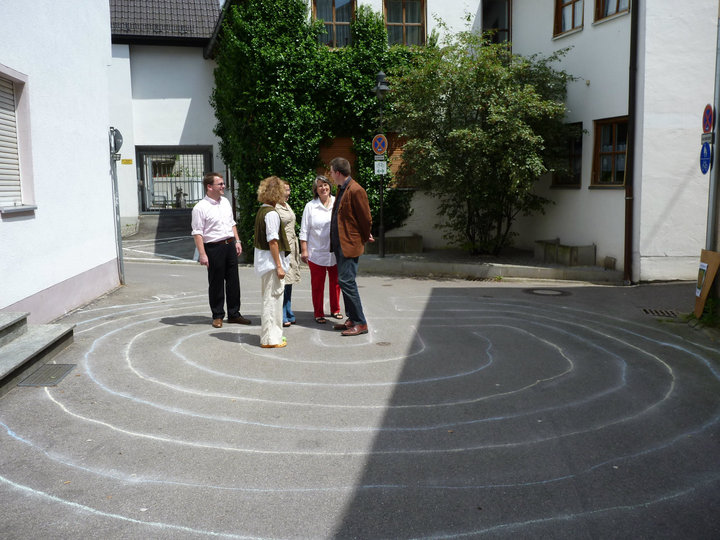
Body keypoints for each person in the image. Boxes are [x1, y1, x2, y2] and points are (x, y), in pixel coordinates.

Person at [191, 172, 251, 328]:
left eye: (223, 183)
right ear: (209, 187)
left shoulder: (225, 202)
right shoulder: (200, 208)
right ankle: (217, 315)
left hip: (229, 244)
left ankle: (234, 314)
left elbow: (232, 223)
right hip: (214, 247)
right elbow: (197, 233)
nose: (223, 186)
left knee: (233, 282)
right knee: (216, 283)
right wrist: (202, 254)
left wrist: (237, 240)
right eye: (220, 184)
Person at [328, 157, 373, 336]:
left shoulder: (356, 190)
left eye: (332, 172)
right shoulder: (342, 188)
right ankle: (352, 318)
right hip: (340, 244)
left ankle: (360, 322)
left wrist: (364, 235)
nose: (331, 175)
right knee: (344, 281)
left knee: (346, 281)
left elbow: (365, 218)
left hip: (349, 244)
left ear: (338, 172)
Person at [299, 175, 342, 324]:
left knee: (336, 283)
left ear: (330, 186)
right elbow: (304, 230)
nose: (323, 188)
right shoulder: (310, 206)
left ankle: (335, 309)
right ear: (316, 190)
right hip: (316, 252)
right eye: (320, 186)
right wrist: (304, 250)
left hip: (335, 251)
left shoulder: (337, 202)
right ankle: (318, 312)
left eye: (325, 185)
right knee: (317, 285)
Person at [254, 176, 290, 348]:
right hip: (271, 263)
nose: (285, 194)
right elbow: (273, 241)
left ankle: (271, 335)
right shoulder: (271, 214)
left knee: (270, 298)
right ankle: (270, 339)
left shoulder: (262, 210)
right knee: (272, 300)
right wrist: (279, 266)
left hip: (265, 262)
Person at [276, 181, 300, 327]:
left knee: (289, 281)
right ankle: (282, 313)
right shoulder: (275, 208)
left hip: (292, 247)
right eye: (285, 190)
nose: (288, 193)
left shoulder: (286, 205)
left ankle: (288, 310)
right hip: (282, 248)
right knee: (282, 282)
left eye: (289, 189)